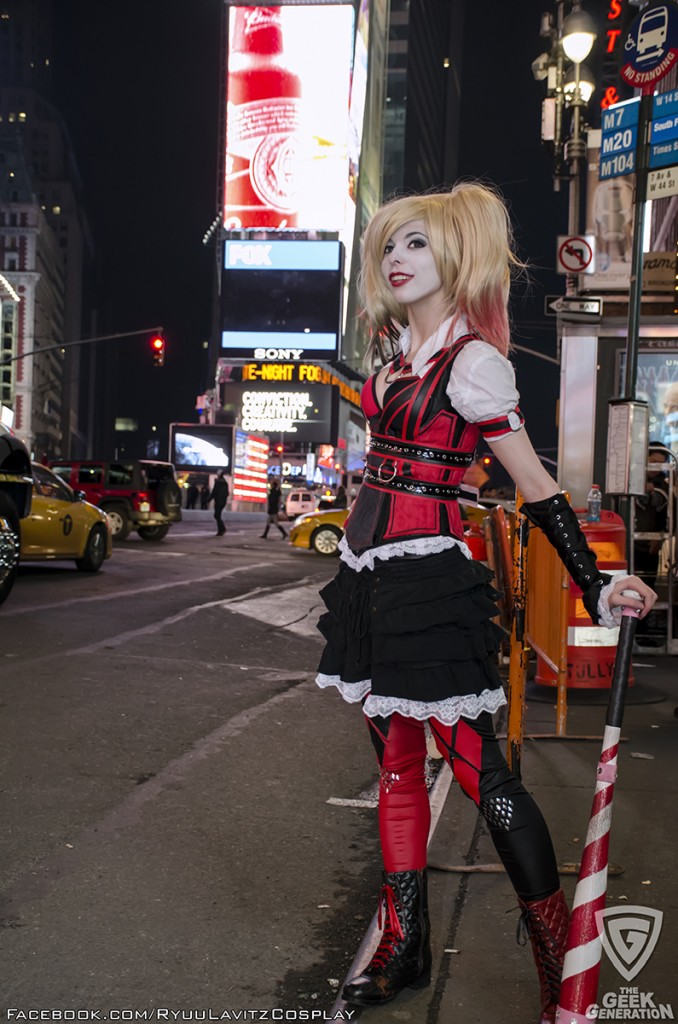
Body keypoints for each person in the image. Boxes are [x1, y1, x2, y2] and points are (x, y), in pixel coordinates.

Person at [314, 183, 657, 1022]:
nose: (397, 259)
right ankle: (405, 945)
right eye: (389, 246)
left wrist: (598, 582)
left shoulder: (474, 364)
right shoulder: (397, 353)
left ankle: (557, 974)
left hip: (428, 585)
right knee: (393, 763)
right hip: (368, 579)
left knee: (482, 775)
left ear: (457, 255)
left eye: (418, 245)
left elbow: (535, 486)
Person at [208, 470, 229, 536]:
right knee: (217, 515)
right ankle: (222, 529)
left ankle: (221, 529)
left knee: (217, 515)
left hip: (218, 501)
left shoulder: (218, 482)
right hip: (223, 501)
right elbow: (227, 493)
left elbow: (214, 492)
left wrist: (208, 500)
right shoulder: (225, 482)